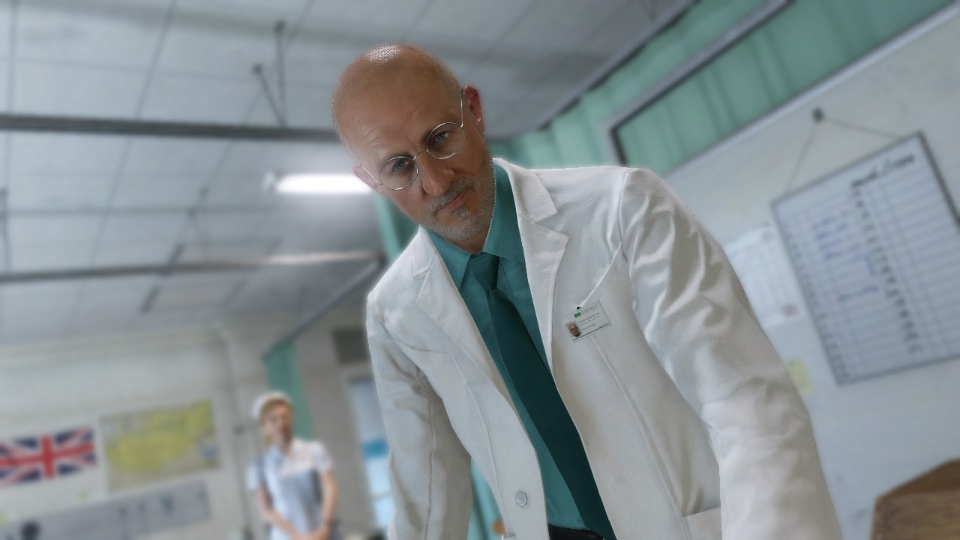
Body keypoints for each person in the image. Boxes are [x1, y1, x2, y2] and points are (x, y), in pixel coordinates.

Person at [332, 45, 842, 540]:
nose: (437, 180)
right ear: (370, 181)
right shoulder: (395, 312)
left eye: (442, 137)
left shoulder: (623, 208)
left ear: (474, 110)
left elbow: (745, 401)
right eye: (398, 167)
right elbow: (424, 493)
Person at [247, 392, 341, 540]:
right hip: (287, 535)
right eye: (273, 419)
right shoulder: (259, 467)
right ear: (264, 426)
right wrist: (298, 536)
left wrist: (326, 526)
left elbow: (330, 487)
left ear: (291, 417)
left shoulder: (314, 450)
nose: (280, 423)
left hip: (322, 532)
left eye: (284, 416)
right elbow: (266, 510)